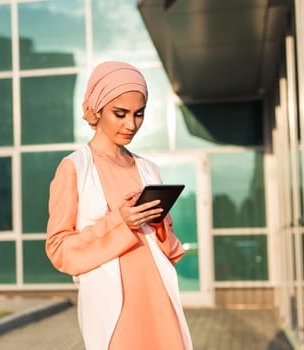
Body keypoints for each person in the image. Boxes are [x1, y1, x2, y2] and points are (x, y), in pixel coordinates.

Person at [45, 61, 193, 350]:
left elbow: (170, 249)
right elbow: (59, 249)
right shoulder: (74, 168)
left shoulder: (148, 168)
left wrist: (157, 223)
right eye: (120, 114)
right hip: (113, 307)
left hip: (157, 297)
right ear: (96, 111)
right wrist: (121, 221)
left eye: (139, 114)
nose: (131, 124)